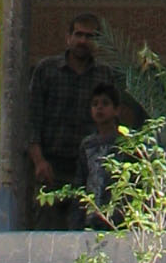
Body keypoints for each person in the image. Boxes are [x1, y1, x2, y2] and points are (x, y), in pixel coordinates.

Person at [27, 12, 114, 212]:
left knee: (88, 222)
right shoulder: (46, 70)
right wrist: (39, 161)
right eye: (78, 34)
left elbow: (110, 121)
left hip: (89, 165)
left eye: (89, 36)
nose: (83, 41)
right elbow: (32, 119)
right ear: (68, 38)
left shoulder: (104, 74)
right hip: (52, 165)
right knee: (47, 222)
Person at [77, 79, 130, 224]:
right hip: (92, 213)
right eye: (95, 104)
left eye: (105, 104)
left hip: (119, 217)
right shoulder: (87, 145)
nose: (99, 108)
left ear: (117, 110)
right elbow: (81, 181)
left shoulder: (126, 143)